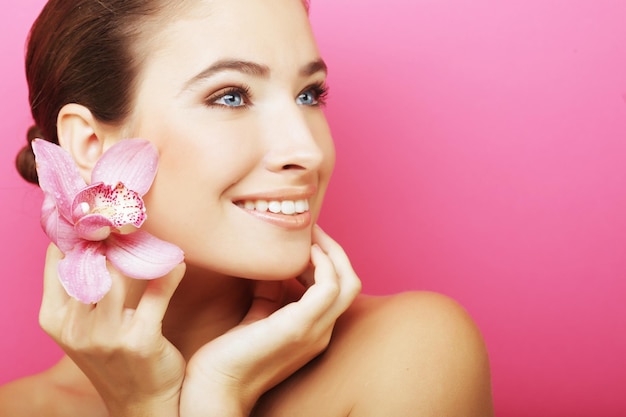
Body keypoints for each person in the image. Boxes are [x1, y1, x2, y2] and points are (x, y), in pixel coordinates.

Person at [0, 0, 494, 415]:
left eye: (309, 94)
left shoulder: (410, 354)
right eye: (232, 96)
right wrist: (145, 404)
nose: (307, 151)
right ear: (89, 145)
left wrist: (218, 390)